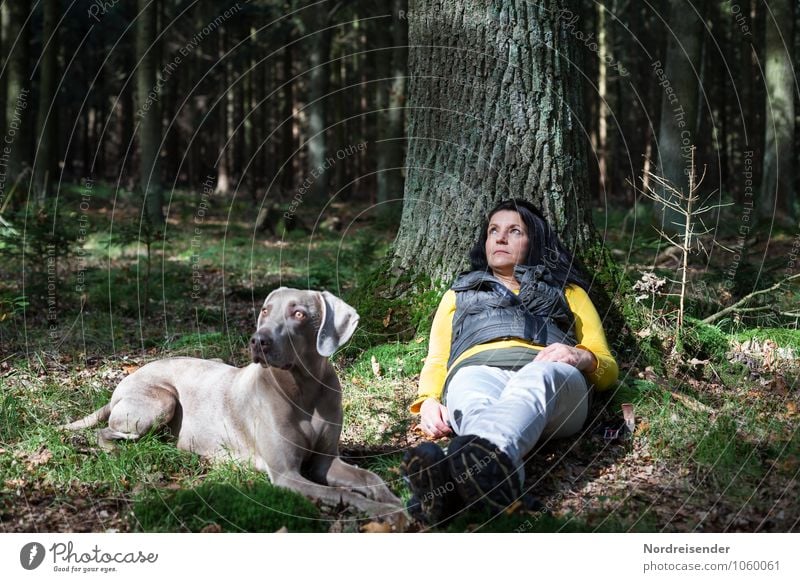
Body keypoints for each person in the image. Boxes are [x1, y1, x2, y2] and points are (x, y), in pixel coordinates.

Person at [401, 198, 618, 524]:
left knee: (535, 380)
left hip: (554, 381)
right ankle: (488, 487)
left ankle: (443, 485)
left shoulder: (567, 291)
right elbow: (437, 359)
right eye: (493, 231)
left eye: (514, 231)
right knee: (472, 397)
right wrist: (428, 401)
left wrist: (578, 355)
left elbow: (606, 369)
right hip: (476, 370)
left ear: (535, 241)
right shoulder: (458, 294)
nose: (500, 238)